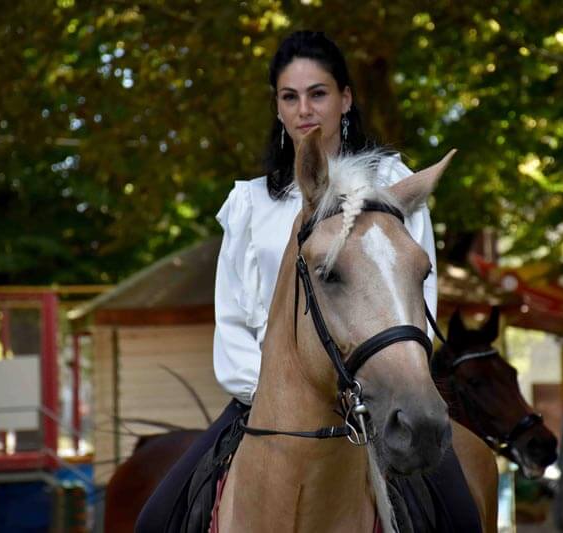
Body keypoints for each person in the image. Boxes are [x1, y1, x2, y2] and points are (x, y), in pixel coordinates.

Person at [136, 30, 480, 532]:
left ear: (345, 98)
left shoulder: (393, 185)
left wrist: (380, 382)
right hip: (262, 399)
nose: (305, 110)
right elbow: (231, 317)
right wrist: (274, 395)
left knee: (460, 515)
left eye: (318, 93)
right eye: (289, 97)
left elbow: (416, 292)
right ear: (277, 108)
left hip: (377, 391)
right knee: (153, 520)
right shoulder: (250, 204)